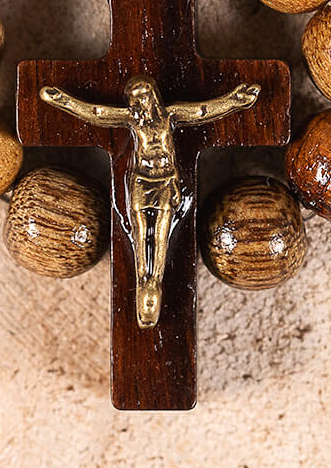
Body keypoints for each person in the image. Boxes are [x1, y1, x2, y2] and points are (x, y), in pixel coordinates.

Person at [40, 76, 260, 328]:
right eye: (136, 97)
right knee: (140, 237)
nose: (141, 101)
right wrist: (64, 101)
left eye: (144, 95)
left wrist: (233, 101)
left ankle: (154, 281)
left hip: (166, 181)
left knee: (161, 237)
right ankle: (142, 283)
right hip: (141, 182)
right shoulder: (133, 120)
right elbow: (97, 113)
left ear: (153, 96)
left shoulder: (170, 115)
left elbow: (202, 111)